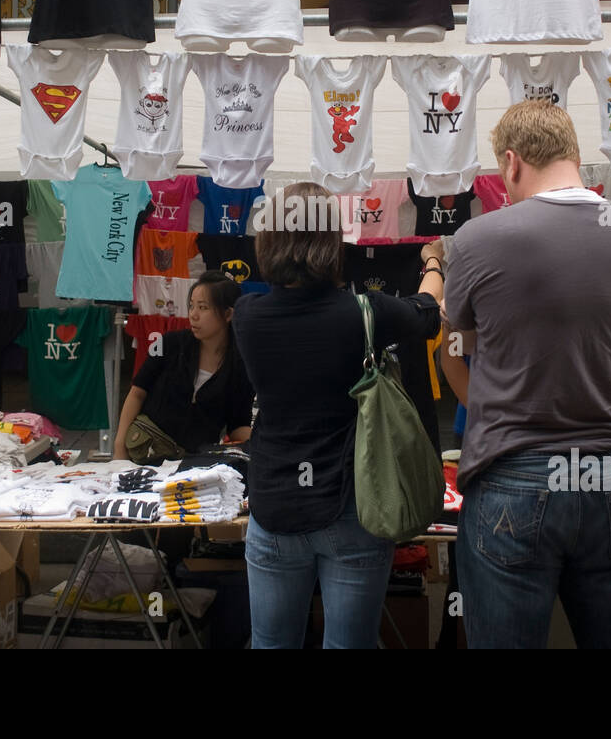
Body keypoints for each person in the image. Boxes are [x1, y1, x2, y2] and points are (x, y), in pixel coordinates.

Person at [442, 102, 611, 649]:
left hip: (514, 472)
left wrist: (490, 410)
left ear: (512, 164)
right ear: (577, 157)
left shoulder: (478, 238)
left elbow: (455, 344)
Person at [232, 181, 445, 649]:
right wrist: (432, 261)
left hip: (274, 506)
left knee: (270, 643)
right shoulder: (364, 313)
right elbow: (430, 313)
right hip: (354, 508)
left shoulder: (247, 316)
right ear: (331, 242)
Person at [114, 270, 254, 462]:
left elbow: (238, 424)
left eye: (203, 308)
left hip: (192, 465)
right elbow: (137, 392)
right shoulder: (168, 343)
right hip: (143, 451)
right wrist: (119, 450)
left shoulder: (240, 366)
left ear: (228, 314)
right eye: (191, 306)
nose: (193, 315)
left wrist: (266, 443)